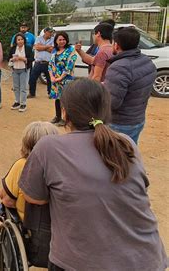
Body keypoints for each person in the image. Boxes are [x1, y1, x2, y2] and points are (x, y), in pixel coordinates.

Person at [19, 78, 167, 271]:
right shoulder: (126, 143)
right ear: (106, 111)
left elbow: (33, 198)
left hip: (81, 263)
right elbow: (141, 187)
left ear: (64, 112)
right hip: (148, 259)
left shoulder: (49, 147)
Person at [105, 27, 157, 144]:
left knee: (117, 157)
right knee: (130, 151)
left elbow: (112, 102)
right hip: (137, 118)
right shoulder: (146, 60)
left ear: (116, 45)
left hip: (120, 123)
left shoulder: (119, 67)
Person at [0, 121, 59, 221]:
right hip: (58, 225)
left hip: (30, 226)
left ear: (27, 143)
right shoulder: (63, 166)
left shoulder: (22, 165)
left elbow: (6, 200)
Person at [48, 31, 77, 126]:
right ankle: (57, 116)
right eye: (60, 39)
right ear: (56, 41)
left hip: (66, 80)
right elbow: (50, 65)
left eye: (64, 39)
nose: (62, 41)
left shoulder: (70, 50)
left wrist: (60, 77)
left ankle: (65, 119)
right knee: (57, 99)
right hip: (55, 80)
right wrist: (52, 77)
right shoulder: (54, 51)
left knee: (65, 100)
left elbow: (70, 66)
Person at [8, 33, 34, 112]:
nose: (20, 41)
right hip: (15, 69)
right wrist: (12, 59)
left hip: (24, 69)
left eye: (22, 39)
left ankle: (23, 104)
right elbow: (8, 58)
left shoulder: (28, 48)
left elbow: (32, 59)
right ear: (16, 41)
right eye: (18, 40)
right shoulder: (13, 48)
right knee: (16, 87)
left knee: (23, 87)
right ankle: (17, 102)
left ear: (24, 40)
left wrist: (22, 58)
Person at [28, 27, 54, 98]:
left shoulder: (53, 39)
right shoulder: (38, 38)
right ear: (45, 32)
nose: (51, 33)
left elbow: (52, 50)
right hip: (38, 63)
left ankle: (50, 93)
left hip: (48, 63)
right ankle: (32, 93)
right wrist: (47, 47)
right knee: (32, 78)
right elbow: (37, 48)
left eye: (52, 32)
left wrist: (42, 47)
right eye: (50, 32)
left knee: (50, 79)